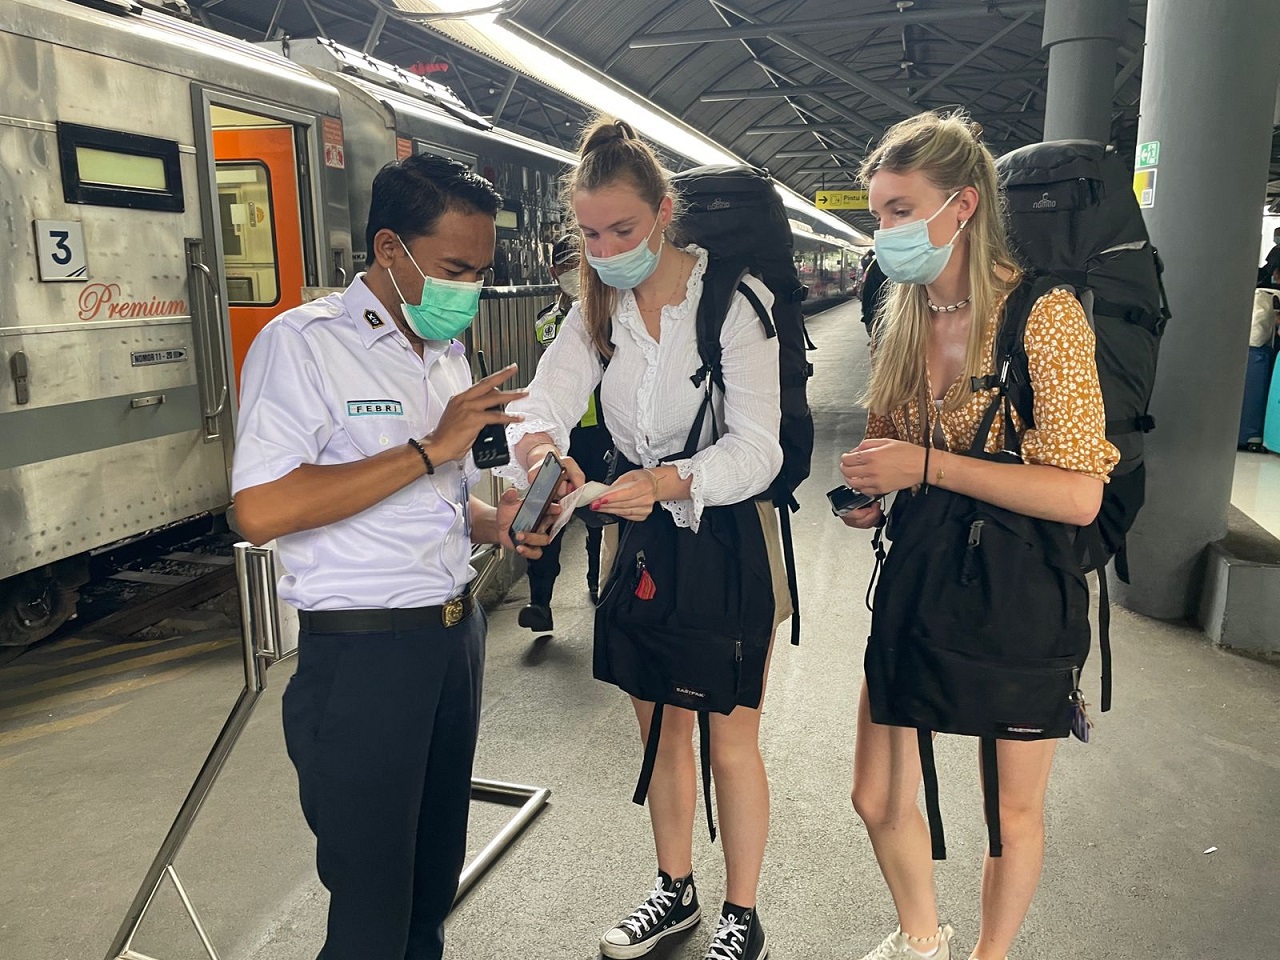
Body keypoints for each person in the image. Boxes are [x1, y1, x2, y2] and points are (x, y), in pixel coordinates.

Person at [230, 154, 550, 960]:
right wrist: (430, 446)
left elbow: (429, 503)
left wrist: (498, 524)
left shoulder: (444, 352)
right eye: (454, 270)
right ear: (388, 248)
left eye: (479, 274)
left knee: (429, 889)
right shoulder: (304, 345)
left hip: (453, 639)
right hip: (364, 656)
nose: (468, 290)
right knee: (372, 908)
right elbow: (263, 508)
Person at [496, 118, 791, 960]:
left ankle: (742, 913)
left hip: (729, 530)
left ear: (664, 212)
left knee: (730, 735)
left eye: (622, 230)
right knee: (660, 727)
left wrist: (663, 483)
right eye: (590, 235)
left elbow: (759, 449)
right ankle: (675, 889)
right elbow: (542, 401)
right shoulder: (595, 304)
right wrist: (540, 454)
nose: (606, 250)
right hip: (642, 539)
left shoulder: (734, 301)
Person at [838, 111, 1118, 960]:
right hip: (922, 577)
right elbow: (894, 441)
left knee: (1011, 812)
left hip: (1022, 591)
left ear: (962, 206)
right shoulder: (898, 314)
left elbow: (1080, 495)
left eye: (899, 210)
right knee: (874, 794)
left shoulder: (1045, 316)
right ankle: (923, 937)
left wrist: (926, 466)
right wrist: (873, 486)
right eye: (877, 213)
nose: (883, 232)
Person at [519, 233, 613, 631]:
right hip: (562, 432)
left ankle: (597, 580)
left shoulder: (607, 314)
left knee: (598, 507)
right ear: (554, 271)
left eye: (580, 264)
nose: (574, 272)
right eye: (566, 266)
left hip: (601, 430)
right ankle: (540, 601)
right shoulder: (547, 319)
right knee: (551, 509)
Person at [860, 254, 891, 338]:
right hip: (884, 316)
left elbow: (867, 293)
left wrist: (867, 316)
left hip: (879, 316)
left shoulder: (876, 264)